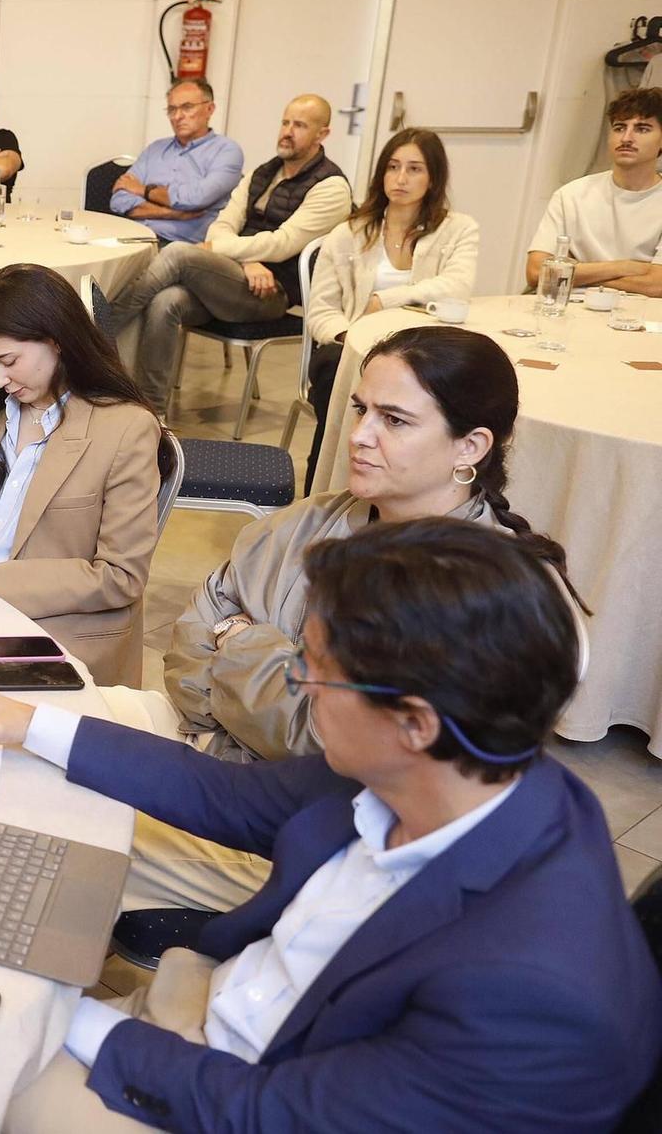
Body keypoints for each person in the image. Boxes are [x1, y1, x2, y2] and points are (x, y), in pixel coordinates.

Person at [0, 519, 660, 1134]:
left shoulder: (532, 991)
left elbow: (269, 1113)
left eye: (316, 667)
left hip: (242, 1093)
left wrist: (52, 1023)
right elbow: (224, 794)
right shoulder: (470, 764)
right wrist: (32, 724)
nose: (299, 684)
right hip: (221, 1013)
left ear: (413, 722)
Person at [141, 326, 576, 914]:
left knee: (85, 829)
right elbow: (188, 651)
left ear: (470, 447)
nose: (360, 437)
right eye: (359, 409)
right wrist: (272, 684)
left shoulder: (480, 594)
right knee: (53, 742)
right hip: (215, 757)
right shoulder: (304, 522)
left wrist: (238, 643)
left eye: (394, 421)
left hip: (329, 839)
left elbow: (327, 749)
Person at [0, 265, 161, 686]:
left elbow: (120, 577)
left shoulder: (124, 429)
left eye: (8, 361)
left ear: (56, 341)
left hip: (46, 628)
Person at [103, 94, 351, 408]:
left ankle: (97, 329)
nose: (287, 131)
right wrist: (246, 259)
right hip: (235, 279)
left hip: (272, 292)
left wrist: (225, 250)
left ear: (322, 134)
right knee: (166, 301)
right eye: (285, 122)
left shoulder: (331, 187)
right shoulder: (263, 173)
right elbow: (220, 225)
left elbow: (281, 243)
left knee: (179, 253)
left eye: (300, 125)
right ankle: (152, 411)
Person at [303, 129, 478, 490]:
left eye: (414, 169)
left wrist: (386, 300)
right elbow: (321, 312)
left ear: (433, 178)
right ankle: (324, 492)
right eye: (393, 167)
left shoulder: (458, 229)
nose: (400, 178)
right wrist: (356, 338)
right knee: (331, 367)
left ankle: (421, 488)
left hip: (423, 351)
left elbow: (457, 287)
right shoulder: (349, 232)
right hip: (353, 346)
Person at [526, 86, 662, 294]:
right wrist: (624, 267)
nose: (626, 138)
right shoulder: (571, 195)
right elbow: (537, 273)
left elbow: (657, 285)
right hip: (573, 309)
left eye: (642, 129)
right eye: (619, 128)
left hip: (641, 316)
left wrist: (576, 274)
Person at [107, 79, 244, 243]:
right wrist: (171, 213)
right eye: (172, 109)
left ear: (210, 109)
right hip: (134, 238)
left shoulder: (227, 151)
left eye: (187, 107)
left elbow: (196, 199)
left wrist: (144, 191)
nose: (177, 116)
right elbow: (119, 200)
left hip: (184, 247)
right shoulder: (155, 150)